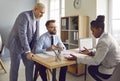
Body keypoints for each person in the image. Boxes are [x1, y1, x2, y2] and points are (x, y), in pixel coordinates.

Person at [65, 15, 120, 81]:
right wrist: (91, 53)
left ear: (99, 29)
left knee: (90, 68)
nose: (92, 33)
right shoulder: (108, 36)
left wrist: (77, 59)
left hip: (110, 71)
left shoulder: (104, 42)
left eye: (93, 31)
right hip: (114, 67)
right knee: (92, 66)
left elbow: (96, 61)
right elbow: (103, 52)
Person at [6, 3, 45, 81]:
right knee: (15, 67)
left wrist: (33, 50)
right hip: (15, 44)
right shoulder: (24, 16)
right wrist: (28, 51)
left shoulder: (37, 19)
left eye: (43, 13)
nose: (42, 15)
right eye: (41, 12)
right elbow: (22, 34)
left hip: (26, 46)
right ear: (35, 9)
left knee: (30, 64)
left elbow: (35, 37)